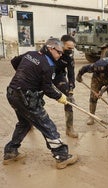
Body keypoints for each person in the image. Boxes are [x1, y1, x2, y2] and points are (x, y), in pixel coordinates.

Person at [3, 38, 78, 169]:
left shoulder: (30, 54)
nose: (60, 55)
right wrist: (61, 97)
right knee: (47, 125)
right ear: (50, 48)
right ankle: (61, 156)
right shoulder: (47, 66)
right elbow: (48, 88)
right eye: (59, 52)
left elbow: (14, 61)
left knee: (25, 123)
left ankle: (10, 152)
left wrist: (25, 74)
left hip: (12, 93)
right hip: (25, 98)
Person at [76, 58, 108, 125]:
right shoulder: (99, 66)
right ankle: (91, 117)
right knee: (93, 97)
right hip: (97, 79)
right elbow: (85, 68)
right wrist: (79, 75)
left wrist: (102, 91)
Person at [52, 35, 78, 138]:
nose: (71, 50)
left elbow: (71, 74)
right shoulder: (51, 50)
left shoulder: (69, 57)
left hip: (58, 76)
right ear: (61, 44)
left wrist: (71, 90)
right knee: (34, 98)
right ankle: (29, 122)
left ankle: (69, 128)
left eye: (72, 48)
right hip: (44, 74)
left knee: (68, 98)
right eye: (69, 48)